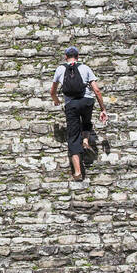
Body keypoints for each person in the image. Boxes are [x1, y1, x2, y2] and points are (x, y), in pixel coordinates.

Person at [50, 46, 108, 182]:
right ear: (77, 56)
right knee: (87, 121)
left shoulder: (60, 69)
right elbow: (97, 90)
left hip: (71, 104)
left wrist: (57, 100)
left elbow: (52, 91)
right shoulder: (85, 68)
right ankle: (86, 140)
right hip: (87, 101)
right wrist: (103, 109)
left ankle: (77, 172)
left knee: (73, 136)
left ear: (66, 57)